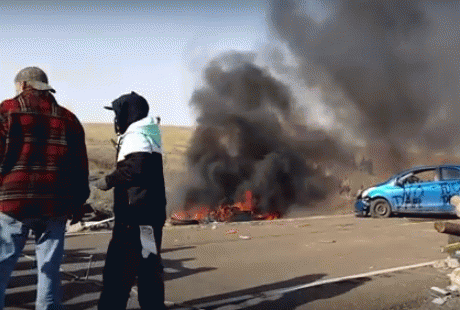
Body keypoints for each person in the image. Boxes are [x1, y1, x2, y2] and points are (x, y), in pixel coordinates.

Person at [0, 67, 90, 310]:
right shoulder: (68, 119)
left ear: (22, 85)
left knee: (2, 265)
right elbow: (80, 168)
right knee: (49, 270)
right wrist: (78, 204)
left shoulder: (6, 111)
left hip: (13, 203)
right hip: (55, 205)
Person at [94, 91, 167, 310]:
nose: (115, 119)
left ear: (127, 114)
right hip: (149, 216)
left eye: (117, 113)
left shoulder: (136, 135)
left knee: (118, 270)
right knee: (148, 266)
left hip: (133, 218)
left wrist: (108, 180)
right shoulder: (149, 133)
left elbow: (136, 167)